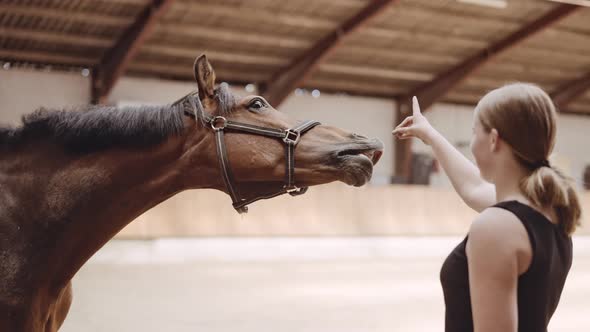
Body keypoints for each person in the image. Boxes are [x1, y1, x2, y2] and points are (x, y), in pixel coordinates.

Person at [392, 83, 582, 332]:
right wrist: (429, 134)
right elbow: (473, 188)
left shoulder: (497, 226)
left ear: (493, 140)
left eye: (474, 132)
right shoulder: (550, 209)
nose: (472, 142)